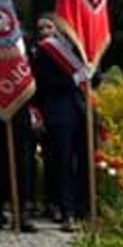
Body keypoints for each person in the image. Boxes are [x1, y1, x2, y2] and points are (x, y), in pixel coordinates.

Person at [32, 14, 90, 232]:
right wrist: (73, 80)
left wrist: (91, 73)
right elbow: (44, 81)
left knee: (82, 160)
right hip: (58, 110)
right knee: (62, 161)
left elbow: (95, 77)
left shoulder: (81, 49)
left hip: (82, 110)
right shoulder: (47, 50)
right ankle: (67, 210)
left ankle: (83, 207)